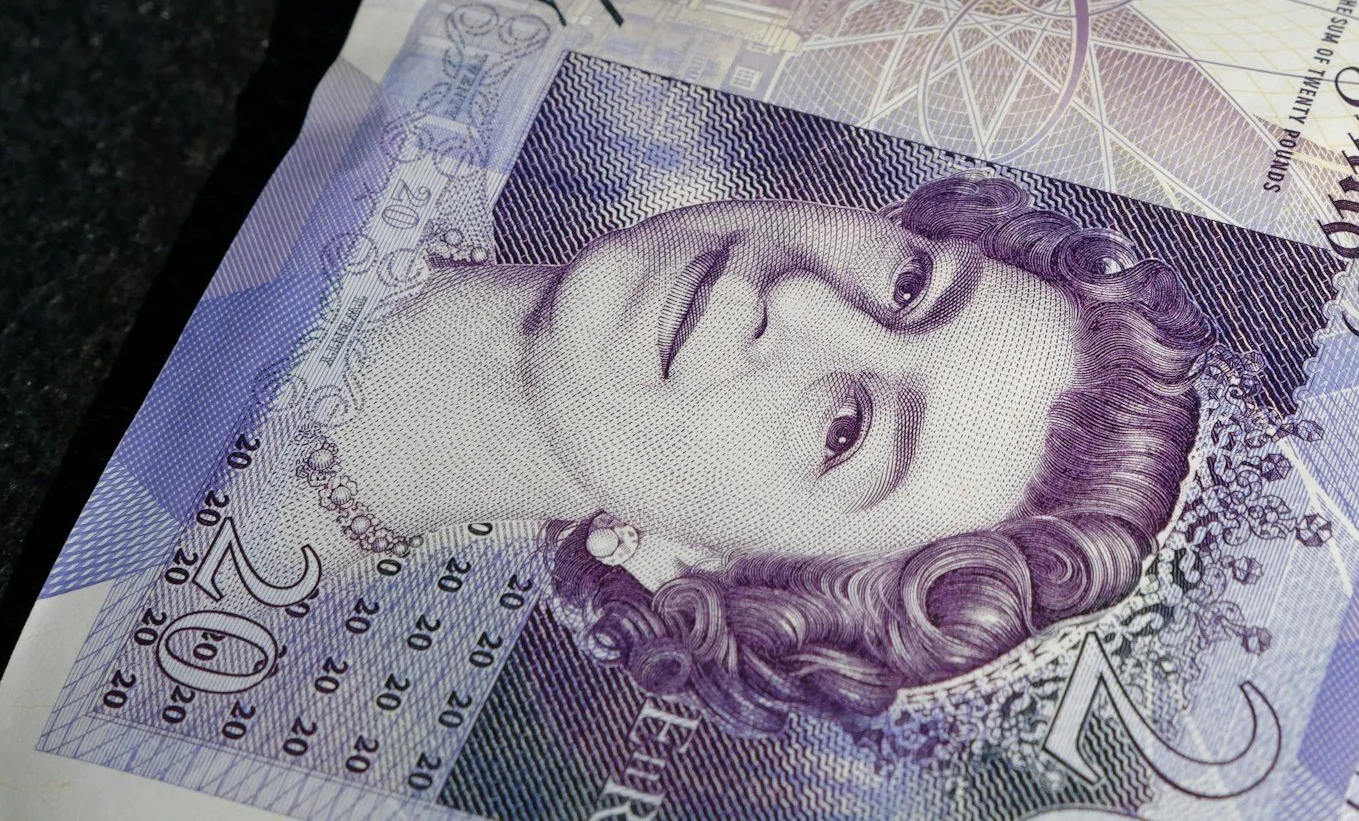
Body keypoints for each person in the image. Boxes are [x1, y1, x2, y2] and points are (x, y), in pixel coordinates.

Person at [267, 174, 1209, 733]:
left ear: (699, 573)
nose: (799, 300)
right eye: (911, 280)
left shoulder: (226, 564)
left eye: (847, 429)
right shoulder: (407, 145)